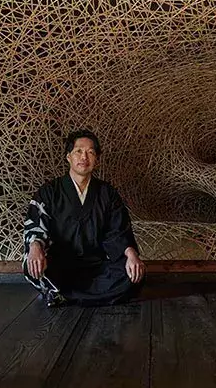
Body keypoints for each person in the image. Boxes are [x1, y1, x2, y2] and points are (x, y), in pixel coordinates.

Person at [22, 129, 146, 307]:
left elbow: (118, 230)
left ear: (97, 160)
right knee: (32, 266)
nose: (84, 157)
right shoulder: (49, 191)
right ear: (68, 157)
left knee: (134, 274)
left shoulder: (107, 193)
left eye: (90, 152)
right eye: (78, 151)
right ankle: (93, 296)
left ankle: (63, 295)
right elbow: (35, 225)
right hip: (61, 264)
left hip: (98, 265)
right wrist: (35, 247)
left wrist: (131, 254)